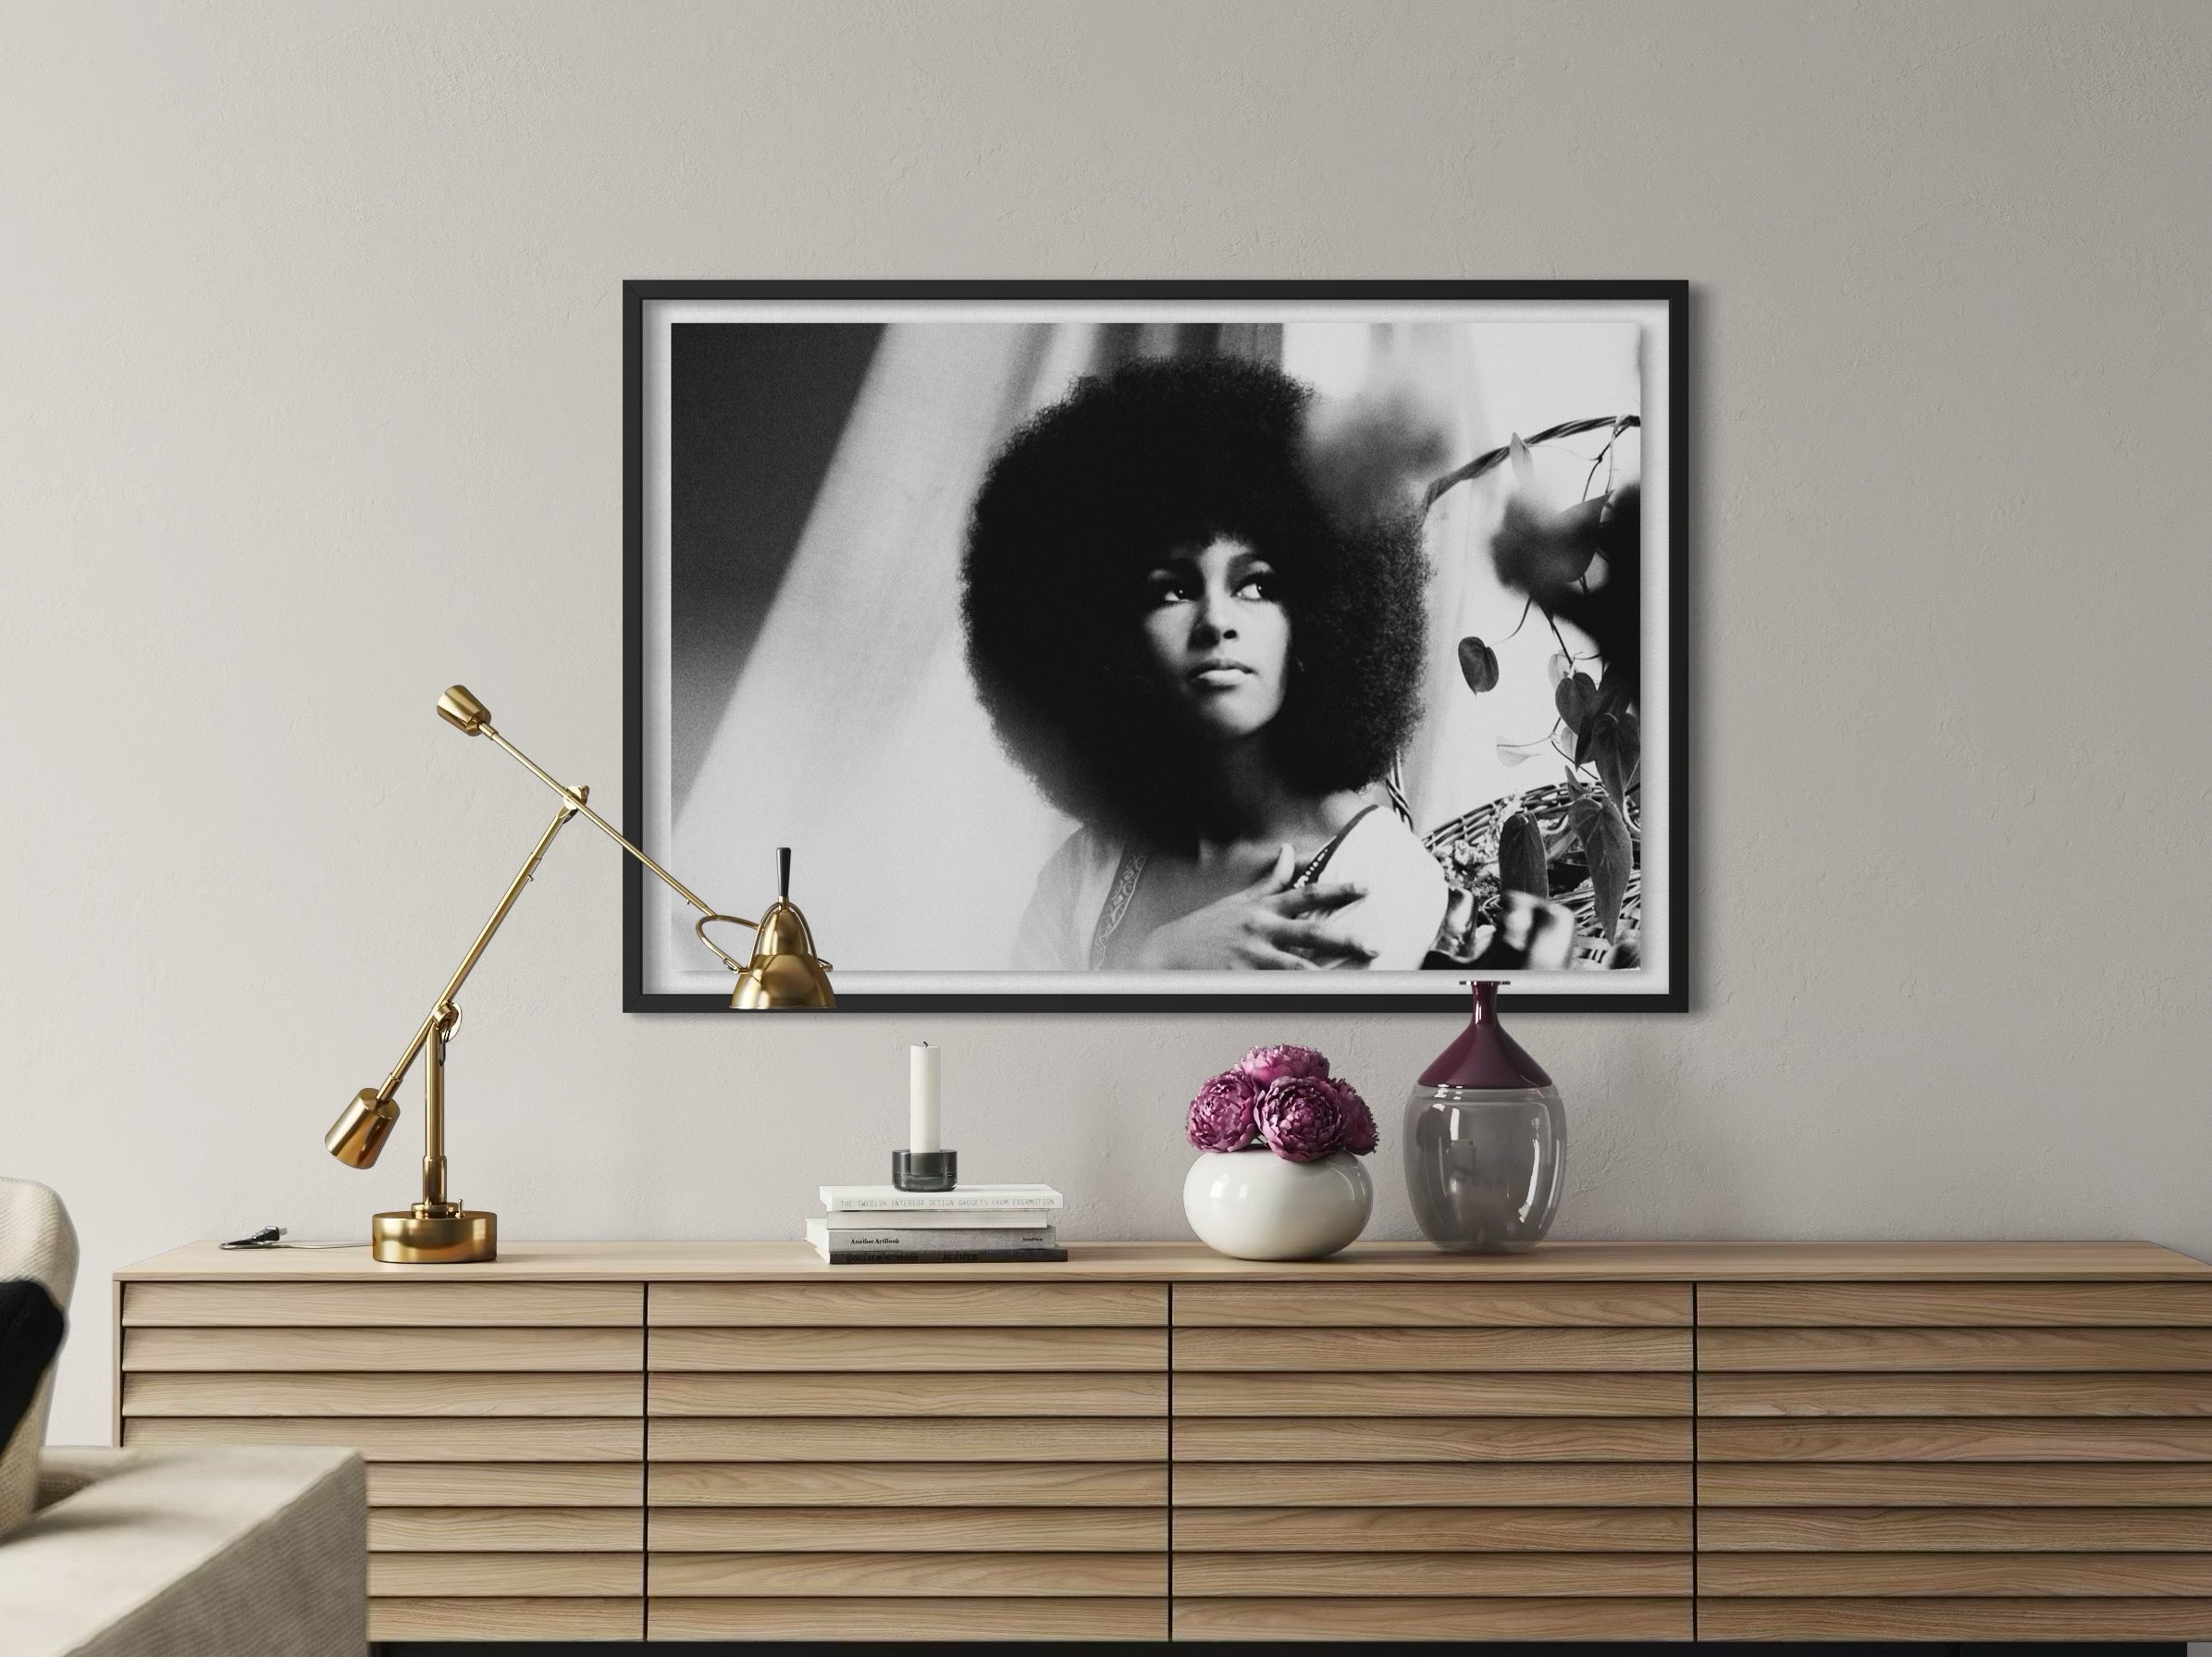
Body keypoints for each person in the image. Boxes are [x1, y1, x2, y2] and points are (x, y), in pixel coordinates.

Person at [962, 354, 1447, 971]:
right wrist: (1156, 961)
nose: (1216, 619)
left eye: (1257, 586)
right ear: (1109, 631)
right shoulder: (1085, 871)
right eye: (1173, 589)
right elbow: (1012, 1064)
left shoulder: (1377, 875)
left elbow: (1273, 1069)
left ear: (1322, 616)